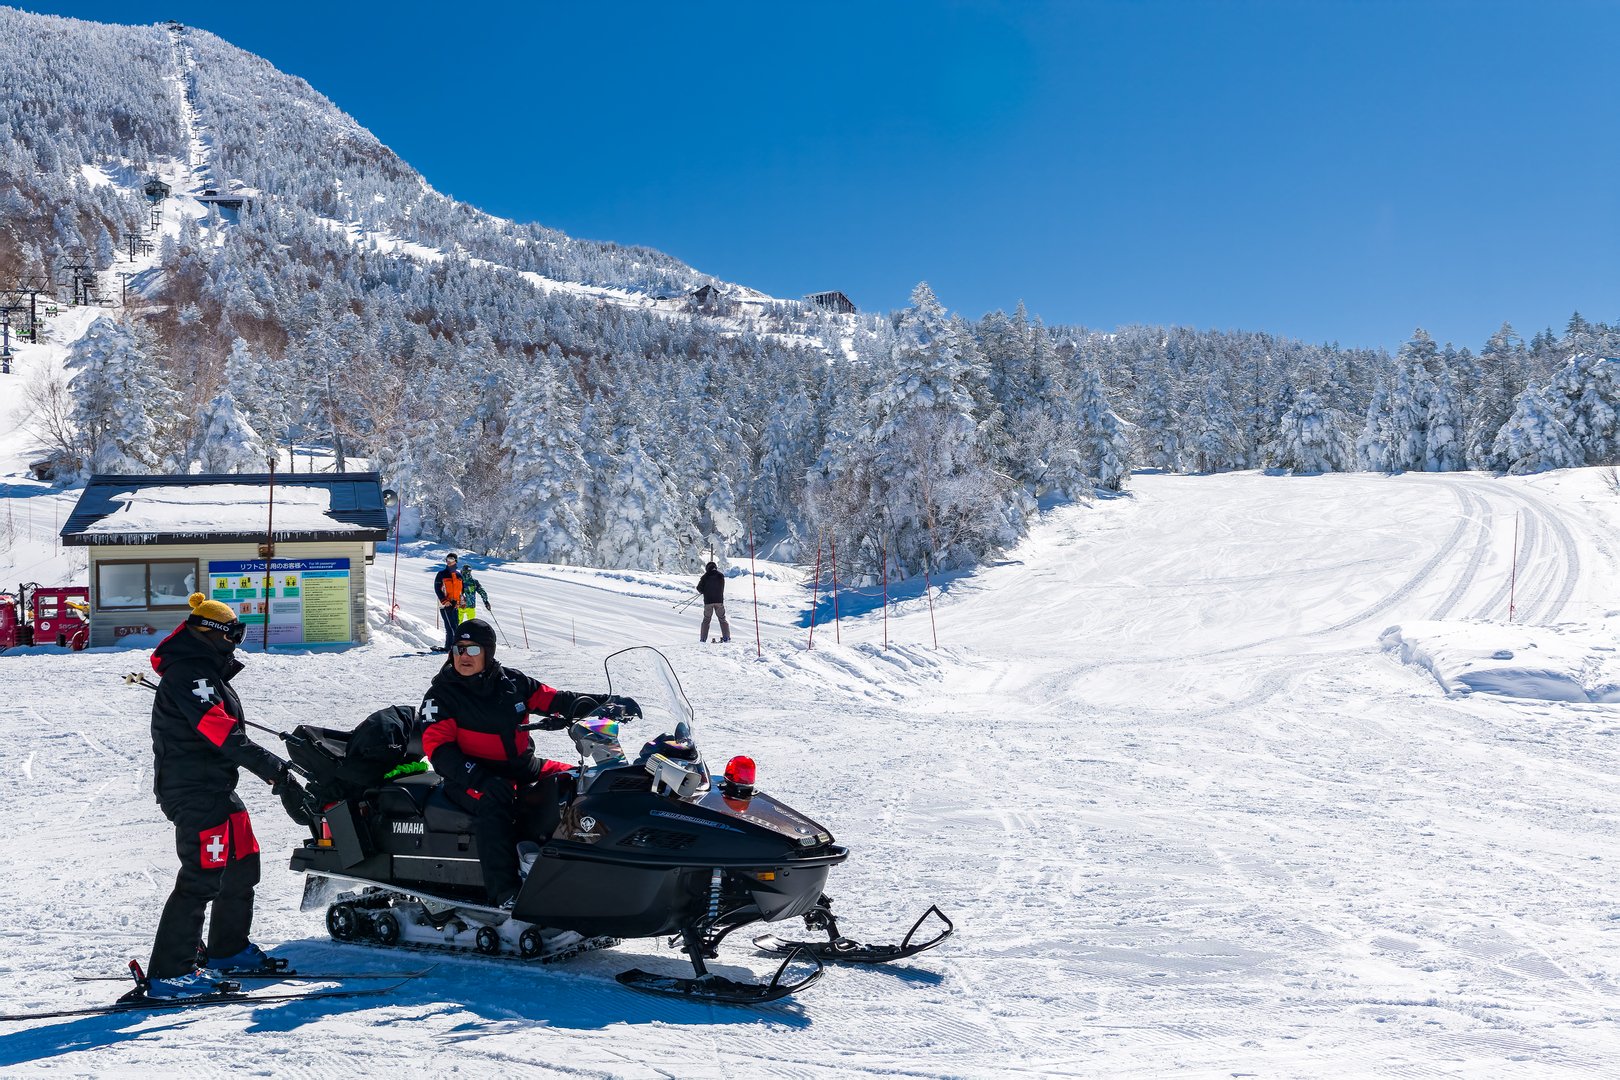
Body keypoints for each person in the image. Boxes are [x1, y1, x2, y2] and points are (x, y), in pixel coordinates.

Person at [142, 593, 301, 999]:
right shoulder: (189, 674)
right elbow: (222, 734)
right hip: (193, 790)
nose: (236, 642)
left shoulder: (203, 671)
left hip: (215, 788)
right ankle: (170, 973)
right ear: (211, 633)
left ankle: (227, 950)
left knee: (243, 860)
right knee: (201, 876)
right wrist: (274, 770)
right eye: (234, 634)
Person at [418, 619, 637, 908]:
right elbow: (440, 751)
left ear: (488, 651)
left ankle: (582, 869)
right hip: (472, 777)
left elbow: (557, 700)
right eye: (458, 649)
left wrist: (608, 703)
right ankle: (505, 895)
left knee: (582, 783)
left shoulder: (512, 682)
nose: (464, 656)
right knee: (494, 804)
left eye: (472, 648)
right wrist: (481, 779)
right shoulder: (441, 695)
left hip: (523, 768)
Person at [433, 552, 463, 651]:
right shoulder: (441, 574)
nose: (449, 562)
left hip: (455, 604)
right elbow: (437, 589)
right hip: (446, 604)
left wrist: (461, 601)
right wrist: (444, 601)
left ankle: (451, 646)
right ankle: (453, 647)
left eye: (451, 559)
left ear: (455, 561)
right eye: (447, 559)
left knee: (456, 626)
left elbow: (461, 591)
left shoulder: (459, 575)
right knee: (451, 626)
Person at [697, 561, 730, 643]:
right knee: (722, 619)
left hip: (708, 602)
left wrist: (704, 590)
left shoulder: (705, 576)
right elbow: (722, 587)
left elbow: (699, 588)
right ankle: (726, 637)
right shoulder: (720, 575)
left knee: (706, 620)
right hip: (719, 601)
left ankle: (703, 639)